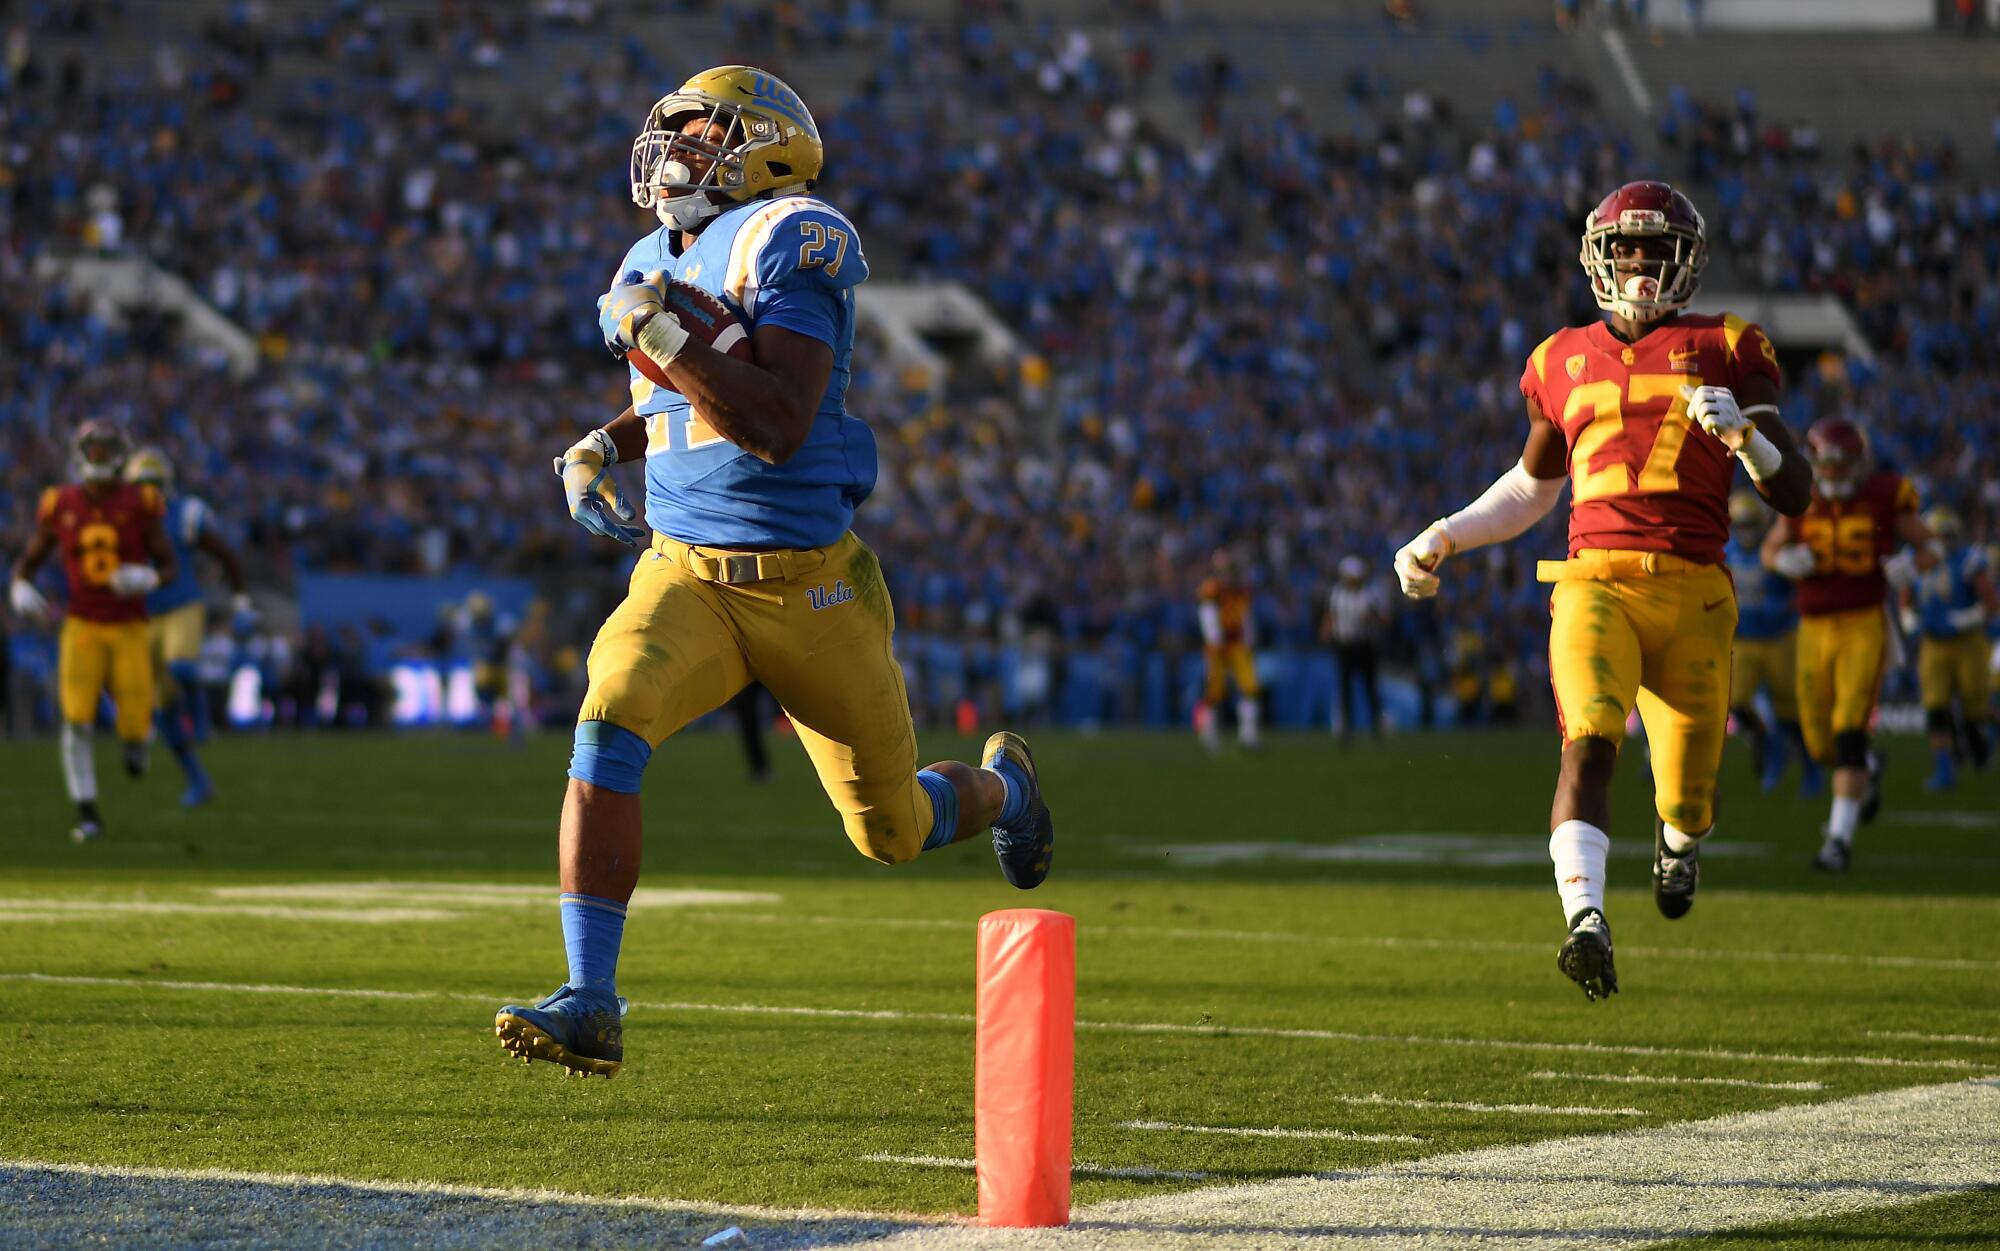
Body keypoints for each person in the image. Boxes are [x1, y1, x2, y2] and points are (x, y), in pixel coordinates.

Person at [494, 67, 1055, 1078]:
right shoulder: (646, 253)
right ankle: (590, 998)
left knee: (891, 830)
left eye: (703, 132)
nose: (676, 149)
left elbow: (776, 424)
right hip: (685, 576)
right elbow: (677, 400)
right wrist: (599, 443)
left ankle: (1006, 793)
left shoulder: (793, 235)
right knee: (606, 718)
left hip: (810, 588)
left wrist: (659, 333)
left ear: (767, 148)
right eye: (674, 130)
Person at [1393, 181, 1811, 1001]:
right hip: (1595, 584)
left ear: (1684, 262)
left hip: (1695, 594)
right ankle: (1585, 919)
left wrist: (1747, 438)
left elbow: (1793, 491)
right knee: (1587, 740)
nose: (1641, 268)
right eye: (1627, 251)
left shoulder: (1731, 344)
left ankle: (1679, 841)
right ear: (1600, 257)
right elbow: (1529, 489)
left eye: (1657, 253)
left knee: (1689, 795)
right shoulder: (1559, 357)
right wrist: (1442, 532)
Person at [1762, 418, 1936, 872]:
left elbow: (1930, 545)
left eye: (1842, 464)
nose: (1835, 473)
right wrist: (1783, 559)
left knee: (1848, 728)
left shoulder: (1884, 495)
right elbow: (1768, 548)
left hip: (1864, 622)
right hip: (1814, 627)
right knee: (1819, 741)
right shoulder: (1801, 498)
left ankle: (1837, 841)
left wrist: (1912, 564)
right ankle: (1870, 767)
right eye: (1827, 464)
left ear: (1858, 463)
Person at [8, 422, 178, 842]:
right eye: (94, 450)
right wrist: (19, 588)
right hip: (82, 625)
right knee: (77, 720)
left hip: (129, 627)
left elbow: (169, 564)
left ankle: (136, 744)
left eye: (106, 450)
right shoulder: (60, 503)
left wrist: (150, 579)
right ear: (82, 452)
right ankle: (86, 811)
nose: (100, 457)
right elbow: (29, 562)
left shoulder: (141, 501)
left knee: (136, 721)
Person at [123, 447, 254, 805]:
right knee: (162, 709)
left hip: (183, 605)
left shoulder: (184, 514)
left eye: (153, 484)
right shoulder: (120, 521)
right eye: (141, 484)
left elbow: (224, 553)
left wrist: (240, 596)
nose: (148, 491)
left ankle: (200, 720)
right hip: (143, 616)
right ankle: (198, 779)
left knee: (181, 666)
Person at [1722, 489, 1821, 795]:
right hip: (1746, 638)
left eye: (1752, 524)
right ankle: (1765, 746)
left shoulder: (1775, 548)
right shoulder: (1726, 551)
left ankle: (1808, 767)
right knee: (1735, 702)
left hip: (1780, 636)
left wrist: (1785, 606)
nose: (1747, 531)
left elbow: (1801, 589)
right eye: (1741, 524)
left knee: (1788, 709)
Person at [1907, 506, 1996, 791]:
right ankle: (1944, 771)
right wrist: (1911, 621)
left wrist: (1967, 618)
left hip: (1968, 642)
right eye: (1936, 536)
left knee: (1975, 705)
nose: (1941, 541)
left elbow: (1991, 603)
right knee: (1935, 708)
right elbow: (1905, 599)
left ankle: (1979, 742)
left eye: (1946, 536)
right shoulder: (1917, 560)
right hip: (1933, 644)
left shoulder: (1968, 560)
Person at [1194, 548, 1260, 751]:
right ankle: (1208, 734)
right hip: (1218, 646)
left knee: (1250, 688)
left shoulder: (1241, 591)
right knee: (1215, 693)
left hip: (1237, 643)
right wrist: (1215, 640)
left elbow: (1245, 617)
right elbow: (1207, 616)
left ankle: (1248, 736)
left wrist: (1250, 638)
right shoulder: (1211, 589)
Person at [1323, 553, 1388, 740]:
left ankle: (1377, 726)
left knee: (1370, 688)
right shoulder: (1337, 594)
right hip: (1344, 645)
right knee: (1345, 690)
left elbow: (1382, 618)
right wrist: (1326, 631)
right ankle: (1346, 729)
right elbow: (1330, 615)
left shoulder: (1368, 595)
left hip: (1365, 644)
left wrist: (1373, 619)